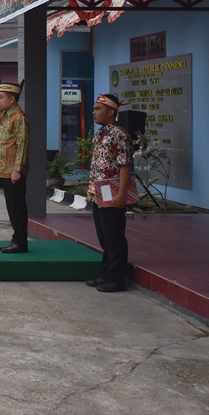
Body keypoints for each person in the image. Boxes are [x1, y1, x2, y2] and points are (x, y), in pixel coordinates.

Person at [85, 94, 138, 293]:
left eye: (98, 109)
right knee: (104, 235)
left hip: (113, 192)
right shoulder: (100, 134)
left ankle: (117, 278)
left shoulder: (119, 134)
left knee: (114, 236)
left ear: (110, 112)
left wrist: (121, 194)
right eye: (94, 109)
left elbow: (125, 166)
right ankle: (106, 273)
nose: (94, 113)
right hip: (98, 193)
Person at [0, 83, 30, 253]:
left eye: (1, 97)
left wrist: (18, 169)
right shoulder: (4, 116)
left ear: (12, 99)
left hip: (13, 171)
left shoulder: (19, 118)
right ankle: (16, 239)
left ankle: (20, 241)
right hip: (3, 169)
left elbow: (22, 145)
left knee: (17, 206)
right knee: (11, 206)